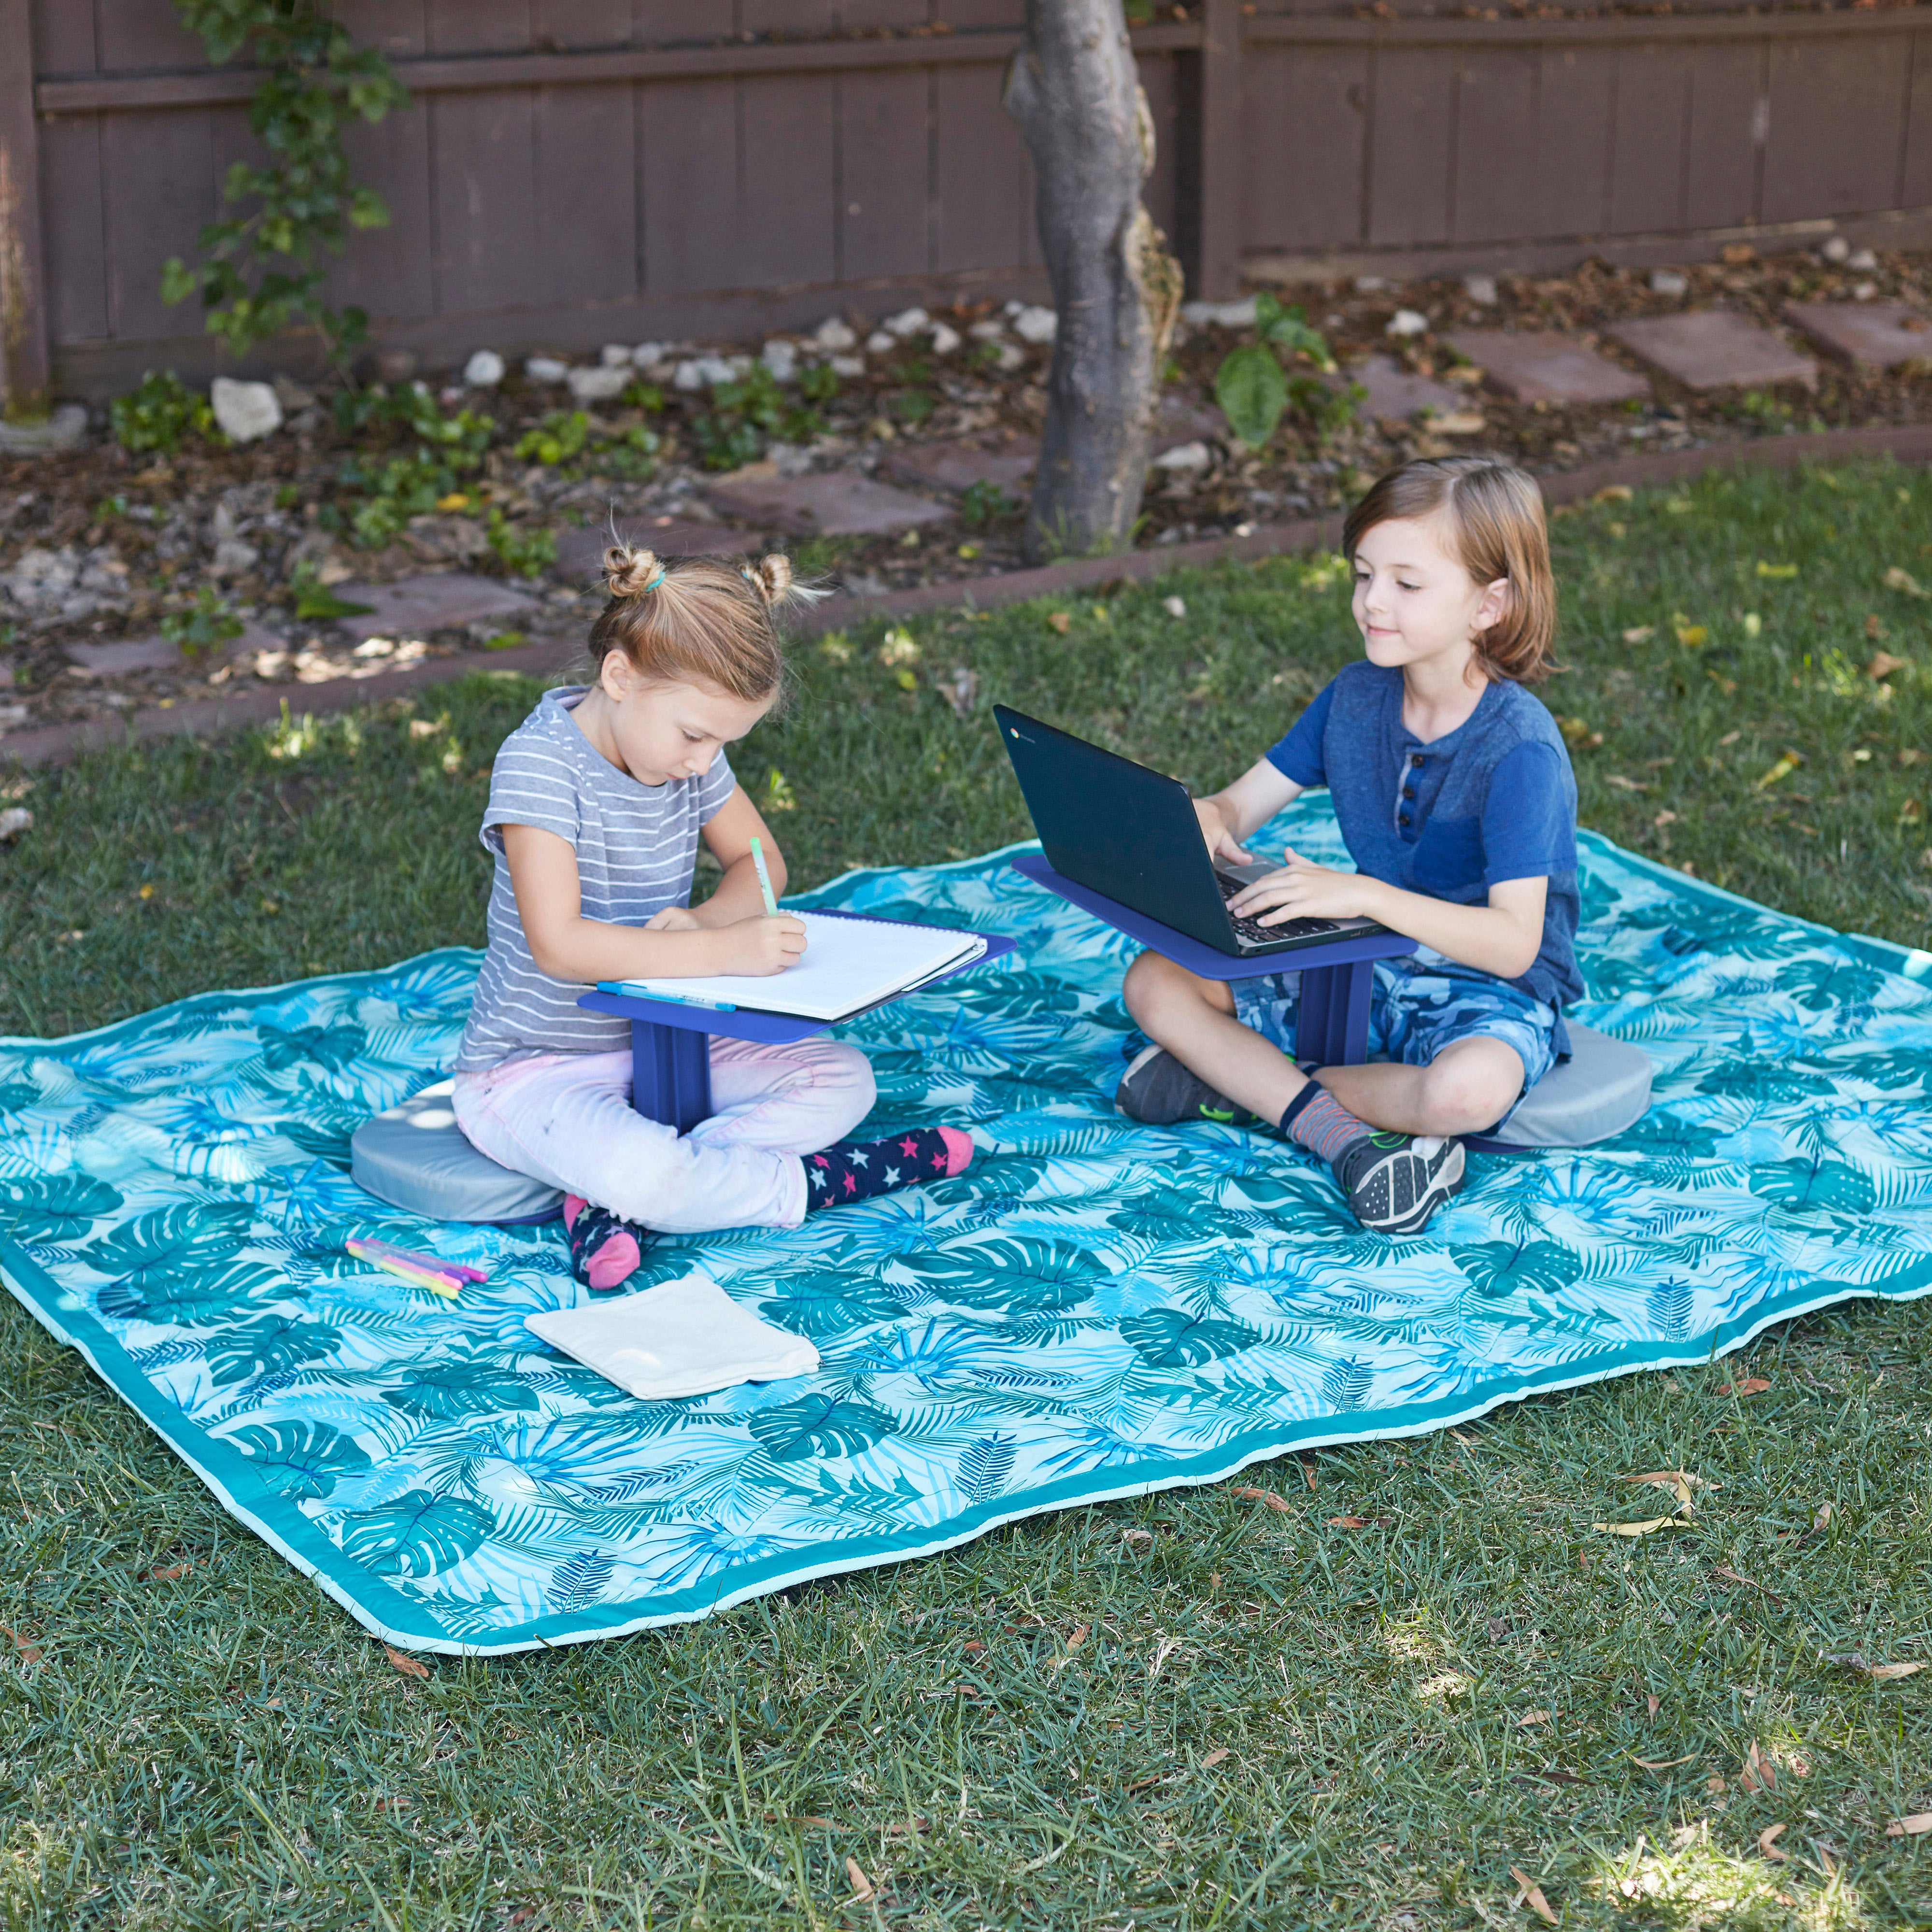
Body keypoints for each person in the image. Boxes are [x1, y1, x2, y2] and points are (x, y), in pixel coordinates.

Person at [452, 544, 973, 1289]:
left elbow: (761, 866)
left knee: (845, 1079)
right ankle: (818, 1184)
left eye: (724, 743)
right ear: (620, 676)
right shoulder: (539, 765)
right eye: (697, 736)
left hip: (674, 1042)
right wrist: (722, 953)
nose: (705, 761)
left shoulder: (684, 754)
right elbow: (560, 946)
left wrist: (703, 925)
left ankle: (613, 1202)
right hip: (535, 1069)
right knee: (648, 1171)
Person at [1117, 456, 1582, 1237]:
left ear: (1488, 605)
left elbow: (1512, 945)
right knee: (1155, 983)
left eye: (1407, 584)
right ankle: (1334, 1131)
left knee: (1464, 1095)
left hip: (1488, 992)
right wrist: (1204, 816)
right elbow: (1242, 802)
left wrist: (1362, 895)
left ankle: (1245, 1086)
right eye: (1363, 575)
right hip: (1363, 966)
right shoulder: (1355, 696)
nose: (1371, 602)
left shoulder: (1521, 749)